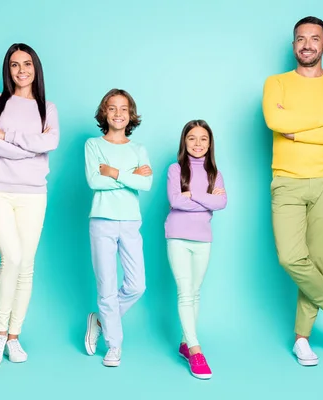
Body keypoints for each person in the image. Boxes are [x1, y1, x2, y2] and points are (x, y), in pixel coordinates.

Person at [262, 16, 323, 366]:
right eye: (301, 38)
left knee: (317, 261)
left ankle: (302, 338)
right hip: (286, 179)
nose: (307, 44)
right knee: (290, 257)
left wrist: (299, 131)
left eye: (314, 38)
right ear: (293, 46)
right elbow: (275, 122)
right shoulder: (276, 83)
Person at [0, 43, 60, 367]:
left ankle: (14, 336)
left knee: (26, 265)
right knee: (10, 256)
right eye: (14, 65)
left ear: (36, 68)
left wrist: (6, 136)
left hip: (33, 193)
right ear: (7, 69)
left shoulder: (47, 108)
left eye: (27, 64)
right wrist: (29, 149)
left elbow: (50, 142)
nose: (21, 70)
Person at [83, 89, 152, 367]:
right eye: (112, 108)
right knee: (107, 287)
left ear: (131, 114)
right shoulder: (93, 145)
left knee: (137, 285)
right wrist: (130, 177)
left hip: (131, 221)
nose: (118, 114)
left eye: (124, 109)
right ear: (104, 112)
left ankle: (100, 320)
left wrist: (113, 172)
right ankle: (114, 345)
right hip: (102, 220)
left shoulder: (138, 149)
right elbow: (93, 181)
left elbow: (146, 184)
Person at [164, 120, 227, 379]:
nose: (198, 143)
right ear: (184, 141)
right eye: (192, 138)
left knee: (195, 292)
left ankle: (183, 342)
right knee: (184, 292)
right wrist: (206, 198)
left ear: (210, 143)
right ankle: (195, 349)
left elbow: (222, 202)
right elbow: (175, 201)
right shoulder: (175, 169)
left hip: (203, 239)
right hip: (177, 236)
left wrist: (193, 194)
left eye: (203, 138)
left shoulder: (215, 173)